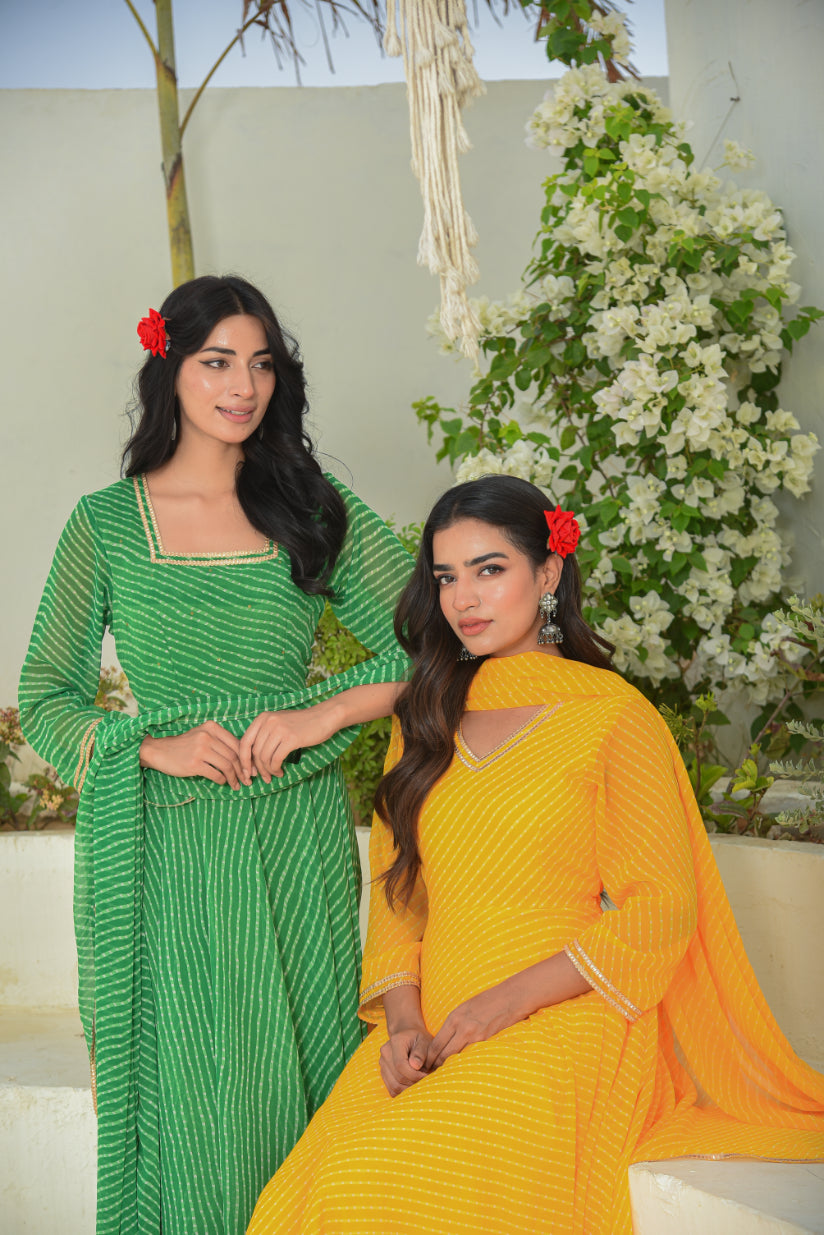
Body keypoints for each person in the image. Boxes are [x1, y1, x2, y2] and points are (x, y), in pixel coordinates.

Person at [248, 475, 824, 1235]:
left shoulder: (611, 716)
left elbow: (660, 906)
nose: (464, 598)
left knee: (385, 1190)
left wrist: (505, 1001)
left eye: (490, 569)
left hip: (565, 1017)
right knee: (299, 1201)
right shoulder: (424, 719)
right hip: (437, 1025)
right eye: (446, 576)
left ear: (548, 573)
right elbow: (398, 896)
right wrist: (403, 1022)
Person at [18, 275, 414, 1235]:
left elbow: (429, 641)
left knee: (307, 1052)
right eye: (218, 362)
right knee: (201, 1076)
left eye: (262, 364)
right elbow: (46, 695)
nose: (244, 386)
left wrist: (318, 717)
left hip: (294, 827)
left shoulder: (311, 505)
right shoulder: (104, 524)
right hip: (170, 847)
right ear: (171, 367)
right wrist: (147, 743)